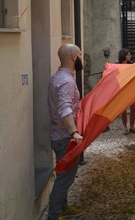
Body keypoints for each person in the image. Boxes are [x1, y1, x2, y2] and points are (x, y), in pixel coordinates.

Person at [47, 44, 85, 220]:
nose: (81, 58)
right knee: (64, 180)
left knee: (63, 175)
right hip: (65, 139)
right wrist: (74, 133)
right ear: (74, 57)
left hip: (59, 136)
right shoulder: (67, 82)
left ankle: (62, 208)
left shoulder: (58, 77)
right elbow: (64, 110)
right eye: (80, 54)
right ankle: (54, 215)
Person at [118, 49, 135, 135]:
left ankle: (132, 126)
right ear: (124, 56)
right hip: (122, 89)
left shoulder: (131, 64)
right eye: (128, 55)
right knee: (123, 109)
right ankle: (125, 128)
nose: (130, 56)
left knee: (133, 108)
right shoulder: (117, 65)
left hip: (131, 89)